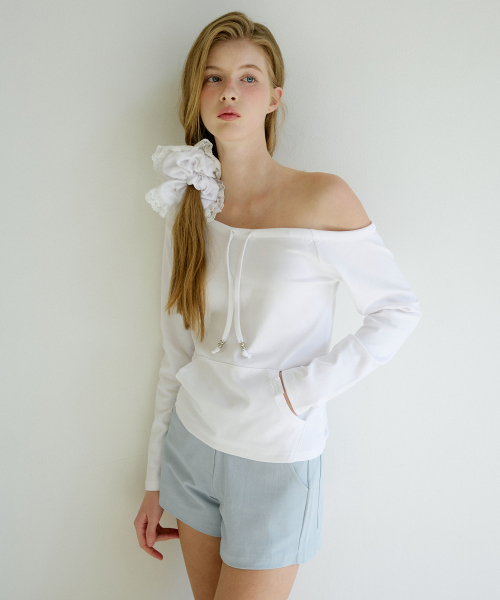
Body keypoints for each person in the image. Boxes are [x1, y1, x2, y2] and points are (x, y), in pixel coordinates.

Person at [134, 11, 422, 600]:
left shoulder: (323, 197)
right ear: (196, 95)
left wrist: (299, 391)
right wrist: (154, 478)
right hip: (192, 448)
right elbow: (176, 350)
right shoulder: (189, 206)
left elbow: (397, 311)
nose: (229, 92)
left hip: (275, 459)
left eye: (248, 78)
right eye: (213, 78)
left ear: (273, 98)